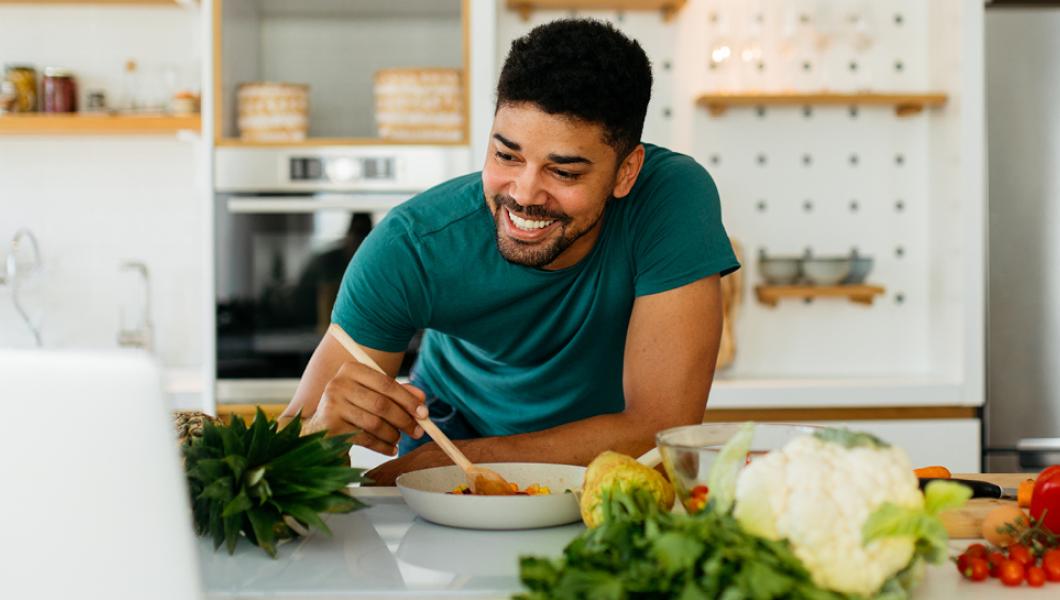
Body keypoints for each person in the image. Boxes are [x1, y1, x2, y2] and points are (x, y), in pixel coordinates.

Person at [281, 19, 740, 485]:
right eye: (507, 156)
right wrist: (321, 432)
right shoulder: (410, 247)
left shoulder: (671, 197)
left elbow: (658, 430)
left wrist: (453, 462)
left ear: (626, 172)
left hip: (590, 470)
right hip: (449, 452)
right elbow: (285, 464)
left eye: (564, 172)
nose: (524, 194)